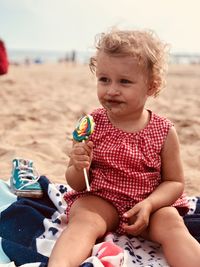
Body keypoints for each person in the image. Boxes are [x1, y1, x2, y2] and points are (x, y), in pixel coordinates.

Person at [48, 28, 200, 267]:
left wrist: (150, 204)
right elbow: (77, 183)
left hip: (148, 206)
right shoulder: (92, 124)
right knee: (83, 219)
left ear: (152, 86)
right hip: (102, 200)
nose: (111, 90)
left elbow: (175, 182)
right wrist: (78, 166)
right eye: (104, 79)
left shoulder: (163, 131)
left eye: (125, 81)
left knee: (173, 225)